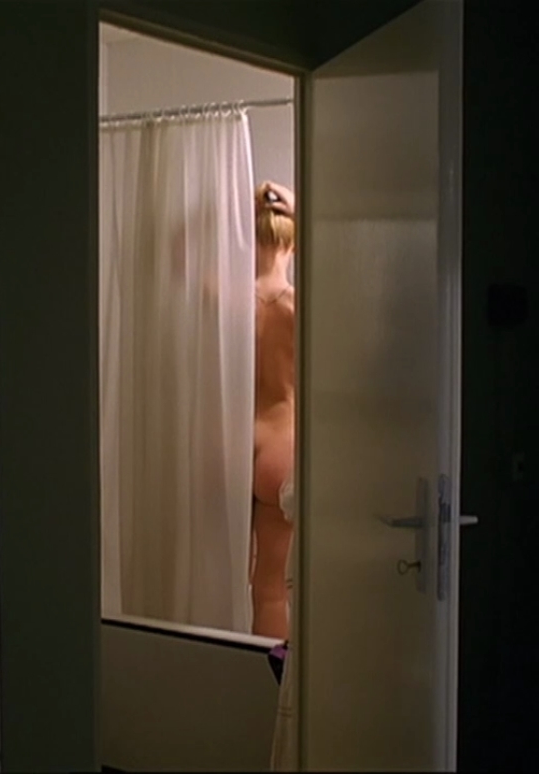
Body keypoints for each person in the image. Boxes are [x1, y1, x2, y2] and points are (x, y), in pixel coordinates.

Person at [251, 180, 296, 640]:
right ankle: (269, 676)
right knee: (271, 588)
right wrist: (298, 209)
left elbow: (177, 262)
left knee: (222, 571)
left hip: (229, 441)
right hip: (281, 447)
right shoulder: (300, 306)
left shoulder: (222, 299)